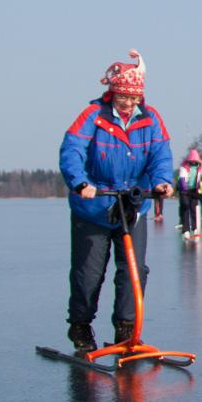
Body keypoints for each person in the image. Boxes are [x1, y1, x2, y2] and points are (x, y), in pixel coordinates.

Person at [58, 50, 175, 353]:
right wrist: (81, 183)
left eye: (133, 99)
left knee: (135, 270)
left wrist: (163, 181)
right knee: (89, 272)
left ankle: (126, 329)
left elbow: (161, 155)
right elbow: (72, 150)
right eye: (123, 97)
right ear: (113, 93)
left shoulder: (151, 120)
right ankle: (80, 326)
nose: (128, 103)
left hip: (132, 206)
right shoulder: (93, 116)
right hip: (94, 206)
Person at [175, 149, 202, 236]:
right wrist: (185, 189)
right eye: (192, 162)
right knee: (185, 206)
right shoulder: (184, 166)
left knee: (193, 208)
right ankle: (186, 230)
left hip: (194, 190)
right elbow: (182, 179)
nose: (193, 164)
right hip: (184, 190)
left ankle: (195, 229)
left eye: (195, 162)